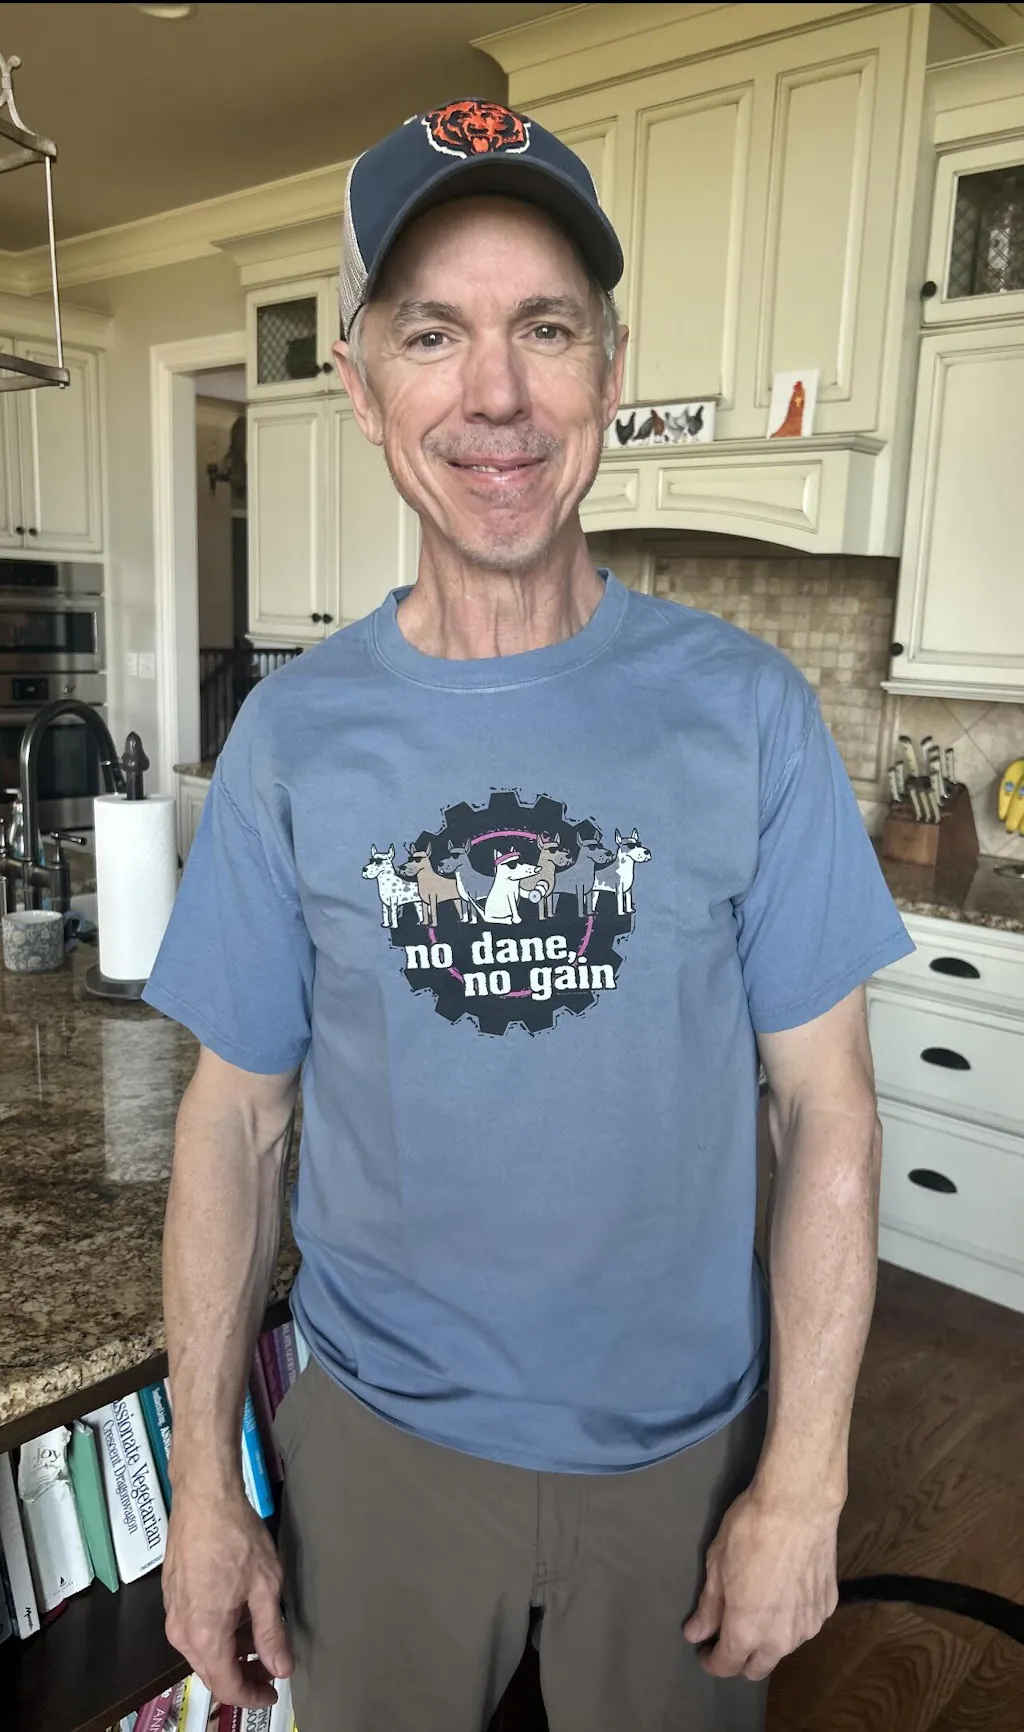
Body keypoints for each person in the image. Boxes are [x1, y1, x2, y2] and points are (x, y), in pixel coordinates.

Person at [144, 97, 913, 1732]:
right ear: (363, 388)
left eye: (545, 329)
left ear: (608, 374)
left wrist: (806, 1476)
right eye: (434, 332)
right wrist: (205, 1484)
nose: (495, 393)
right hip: (380, 1459)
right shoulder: (292, 737)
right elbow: (233, 1123)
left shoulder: (750, 712)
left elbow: (828, 1114)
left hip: (688, 1457)